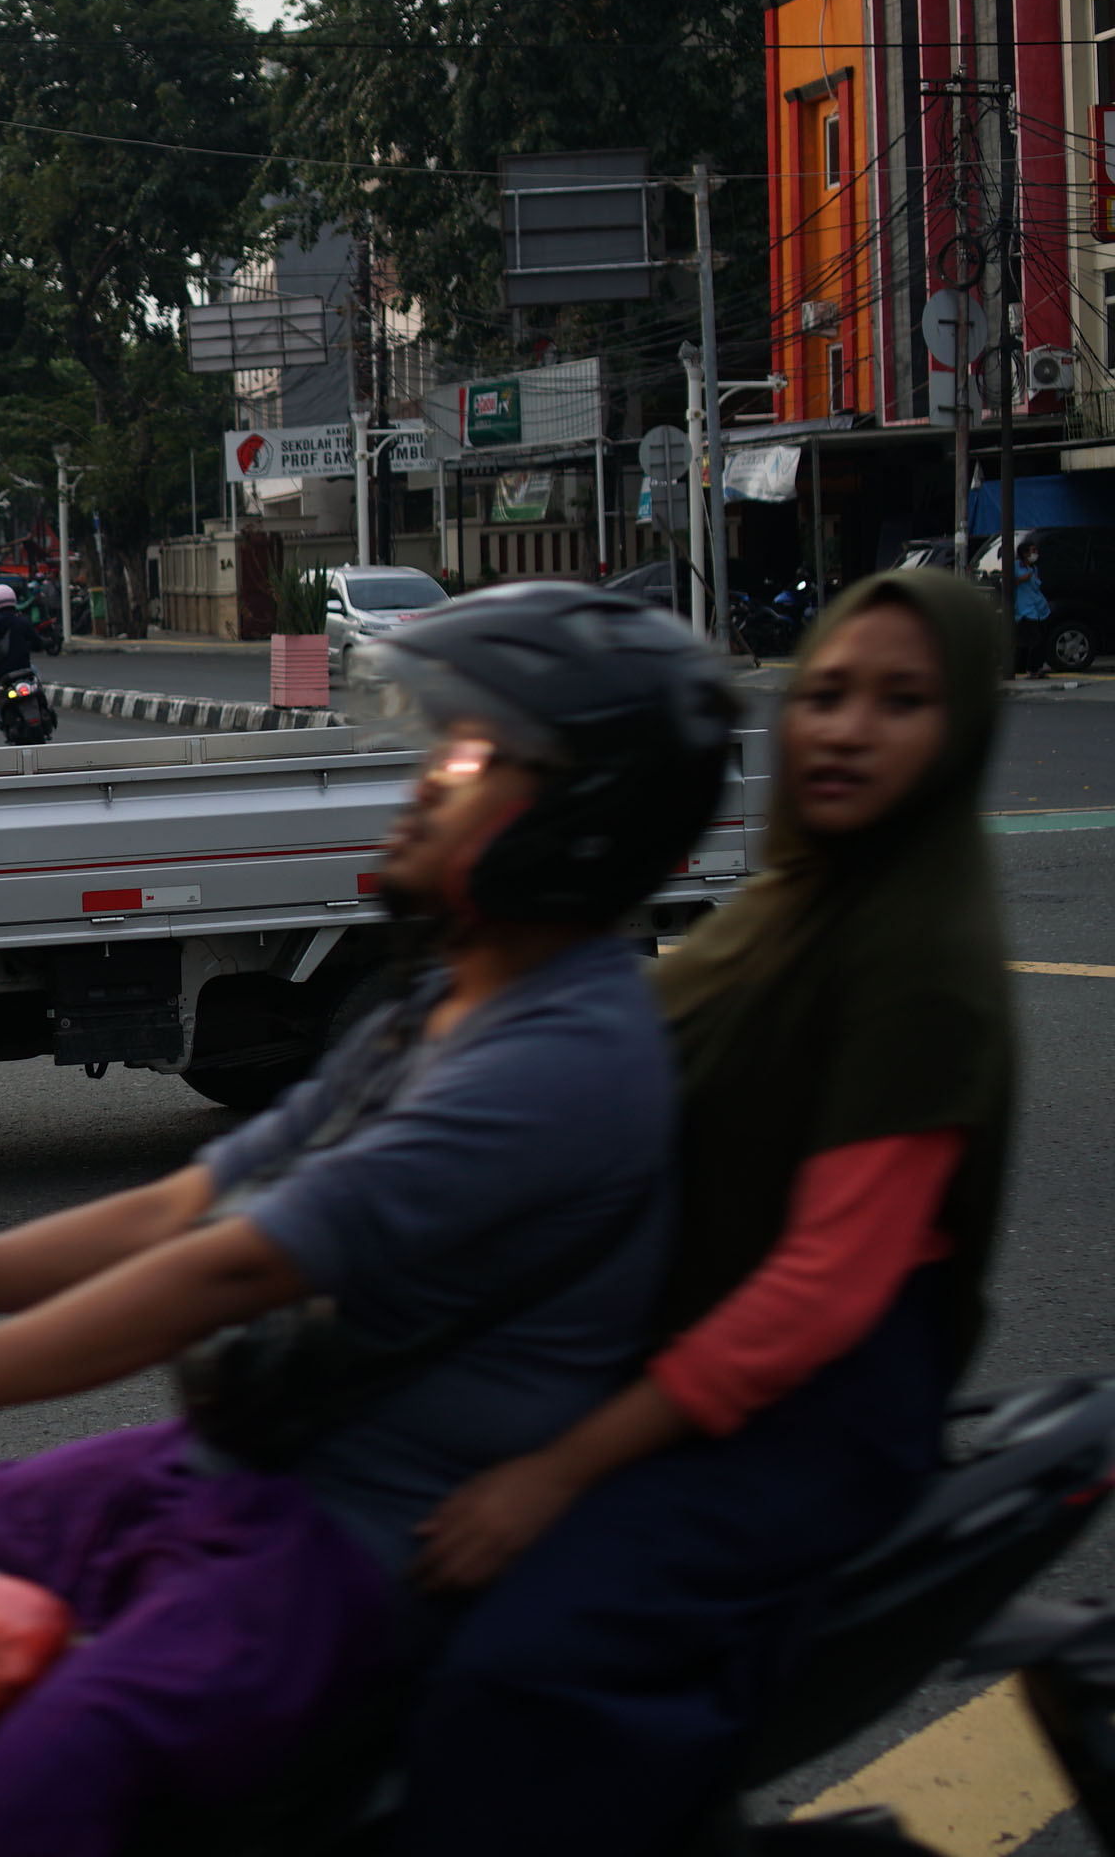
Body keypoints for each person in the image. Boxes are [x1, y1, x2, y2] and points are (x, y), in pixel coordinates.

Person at [0, 584, 734, 1857]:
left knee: (48, 1767)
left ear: (577, 820)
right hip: (252, 1467)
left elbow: (225, 1264)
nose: (421, 781)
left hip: (356, 1537)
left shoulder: (557, 1060)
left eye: (465, 757)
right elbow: (179, 1201)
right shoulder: (434, 1011)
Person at [400, 568, 1014, 1857]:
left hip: (801, 1410)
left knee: (520, 1669)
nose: (843, 728)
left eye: (901, 701)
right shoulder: (787, 897)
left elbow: (822, 1290)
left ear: (958, 730)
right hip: (675, 1345)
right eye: (828, 690)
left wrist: (558, 1469)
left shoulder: (919, 960)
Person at [1012, 531, 1051, 678]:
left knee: (1041, 640)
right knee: (1035, 640)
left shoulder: (1034, 569)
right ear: (1024, 553)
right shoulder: (1016, 566)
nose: (1035, 554)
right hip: (1025, 610)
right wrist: (1022, 579)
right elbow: (1010, 582)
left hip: (1039, 608)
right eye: (1032, 551)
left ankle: (1038, 668)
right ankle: (1031, 668)